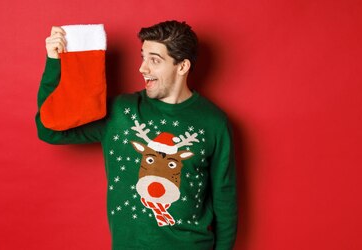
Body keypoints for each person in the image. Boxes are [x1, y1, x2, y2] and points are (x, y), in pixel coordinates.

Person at [36, 20, 237, 250]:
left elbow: (225, 200)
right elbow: (50, 129)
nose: (143, 68)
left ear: (182, 67)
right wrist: (54, 63)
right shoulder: (122, 112)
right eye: (143, 57)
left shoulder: (214, 123)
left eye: (154, 60)